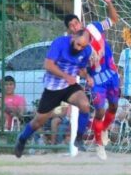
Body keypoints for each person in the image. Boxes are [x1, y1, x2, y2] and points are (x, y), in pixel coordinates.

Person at [14, 30, 94, 158]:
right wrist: (66, 76)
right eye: (78, 44)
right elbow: (48, 65)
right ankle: (22, 139)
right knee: (38, 122)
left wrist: (88, 77)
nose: (80, 48)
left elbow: (81, 69)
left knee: (85, 105)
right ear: (73, 37)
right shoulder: (60, 43)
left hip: (69, 86)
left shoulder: (86, 51)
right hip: (53, 89)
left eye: (83, 46)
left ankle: (78, 139)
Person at [64, 0, 121, 160]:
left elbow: (114, 19)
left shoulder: (94, 27)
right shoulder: (74, 47)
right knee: (100, 110)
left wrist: (109, 3)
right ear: (70, 30)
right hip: (96, 81)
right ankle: (99, 144)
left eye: (76, 23)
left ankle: (103, 130)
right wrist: (86, 75)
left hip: (111, 73)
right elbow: (78, 69)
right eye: (71, 26)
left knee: (114, 107)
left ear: (80, 23)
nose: (75, 27)